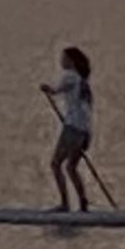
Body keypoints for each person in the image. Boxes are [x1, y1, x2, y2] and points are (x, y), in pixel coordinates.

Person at [41, 46, 95, 211]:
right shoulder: (82, 81)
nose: (61, 61)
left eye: (63, 58)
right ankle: (83, 202)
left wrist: (46, 89)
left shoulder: (70, 76)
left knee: (55, 164)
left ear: (71, 61)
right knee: (71, 167)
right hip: (84, 129)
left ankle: (65, 204)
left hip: (72, 127)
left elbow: (55, 90)